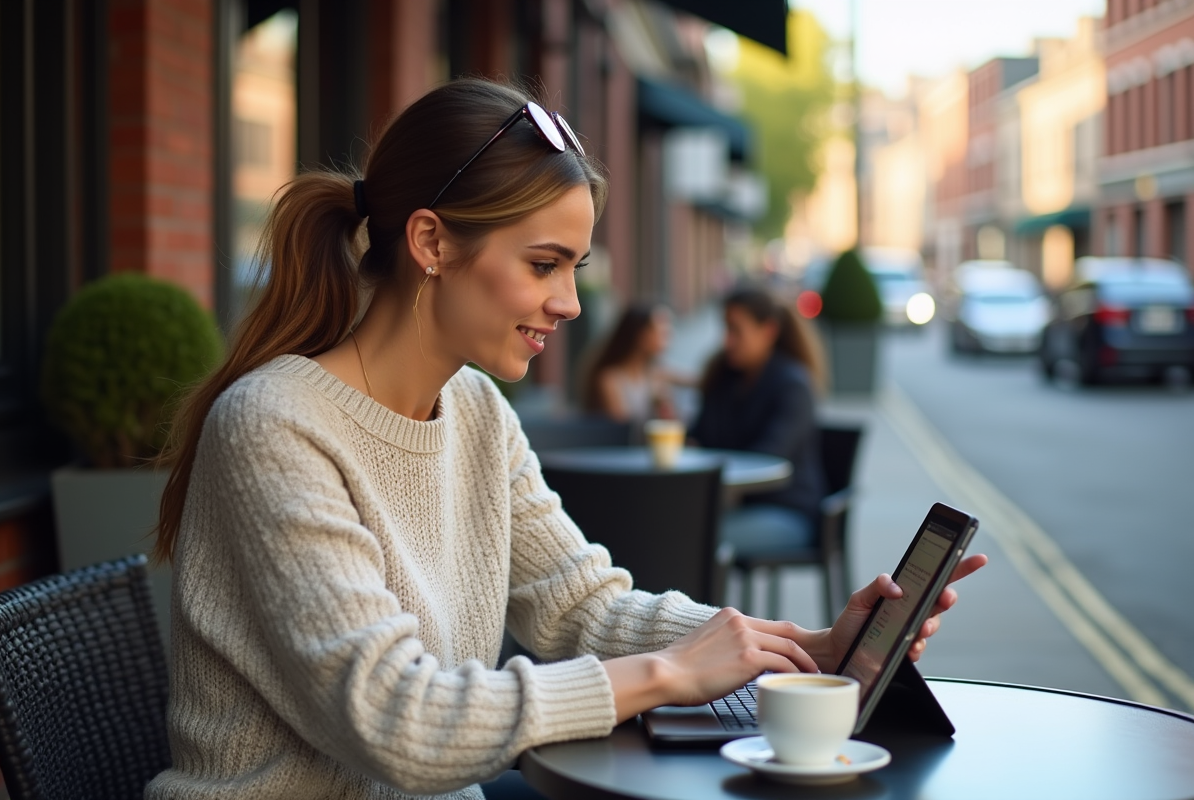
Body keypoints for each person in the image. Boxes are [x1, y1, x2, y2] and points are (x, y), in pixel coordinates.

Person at [146, 80, 985, 800]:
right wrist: (665, 675)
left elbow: (580, 607)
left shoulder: (473, 409)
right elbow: (396, 720)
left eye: (573, 269)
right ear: (431, 242)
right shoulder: (275, 424)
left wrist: (803, 650)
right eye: (543, 264)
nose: (571, 304)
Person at [690, 287, 829, 555]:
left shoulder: (793, 386)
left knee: (691, 537)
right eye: (725, 329)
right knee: (668, 526)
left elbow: (768, 459)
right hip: (731, 506)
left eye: (736, 330)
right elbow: (701, 435)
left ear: (768, 331)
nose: (727, 341)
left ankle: (699, 599)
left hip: (788, 512)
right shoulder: (724, 376)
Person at [581, 302, 677, 423]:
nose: (668, 337)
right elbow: (623, 426)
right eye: (661, 331)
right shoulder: (610, 378)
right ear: (640, 334)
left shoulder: (655, 372)